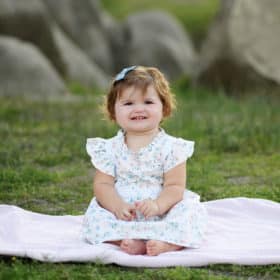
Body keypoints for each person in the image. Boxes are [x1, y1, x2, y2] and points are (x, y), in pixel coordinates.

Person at [82, 66, 207, 256]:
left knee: (189, 212)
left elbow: (175, 186)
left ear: (164, 108)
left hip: (160, 208)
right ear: (113, 111)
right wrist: (116, 206)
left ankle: (167, 243)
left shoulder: (172, 148)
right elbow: (103, 184)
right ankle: (126, 239)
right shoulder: (108, 148)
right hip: (125, 210)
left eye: (148, 102)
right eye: (128, 103)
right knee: (95, 217)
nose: (138, 109)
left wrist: (158, 205)